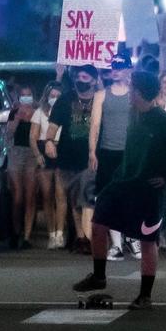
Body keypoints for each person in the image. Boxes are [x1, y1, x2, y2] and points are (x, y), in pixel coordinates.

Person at [71, 71, 166, 310]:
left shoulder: (160, 118)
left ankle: (145, 295)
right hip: (123, 182)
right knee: (98, 223)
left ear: (139, 92)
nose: (128, 92)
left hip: (148, 188)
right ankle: (99, 275)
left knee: (148, 241)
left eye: (132, 88)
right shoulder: (133, 113)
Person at [46, 65, 100, 255]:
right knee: (75, 199)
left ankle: (88, 237)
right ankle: (81, 237)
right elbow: (53, 125)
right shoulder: (65, 99)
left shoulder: (100, 99)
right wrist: (49, 141)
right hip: (68, 157)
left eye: (86, 76)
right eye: (79, 76)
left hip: (92, 158)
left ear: (94, 80)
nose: (81, 79)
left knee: (87, 197)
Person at [88, 55, 136, 261]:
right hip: (108, 152)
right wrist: (92, 151)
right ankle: (116, 244)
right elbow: (95, 125)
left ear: (128, 69)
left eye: (119, 67)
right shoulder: (101, 95)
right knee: (109, 199)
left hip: (131, 153)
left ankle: (133, 239)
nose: (115, 70)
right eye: (113, 67)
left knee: (132, 198)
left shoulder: (135, 94)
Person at [32, 82, 66, 250]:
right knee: (47, 195)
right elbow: (33, 137)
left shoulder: (65, 111)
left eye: (58, 96)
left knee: (61, 195)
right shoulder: (39, 113)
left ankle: (60, 234)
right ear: (46, 96)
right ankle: (51, 233)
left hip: (61, 152)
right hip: (44, 152)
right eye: (52, 96)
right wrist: (38, 155)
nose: (55, 99)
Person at [7, 84, 39, 250]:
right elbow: (8, 133)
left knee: (30, 196)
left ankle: (26, 236)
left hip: (32, 155)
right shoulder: (14, 112)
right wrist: (17, 117)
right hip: (16, 153)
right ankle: (15, 231)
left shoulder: (38, 112)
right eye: (23, 96)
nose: (26, 99)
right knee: (18, 196)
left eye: (29, 95)